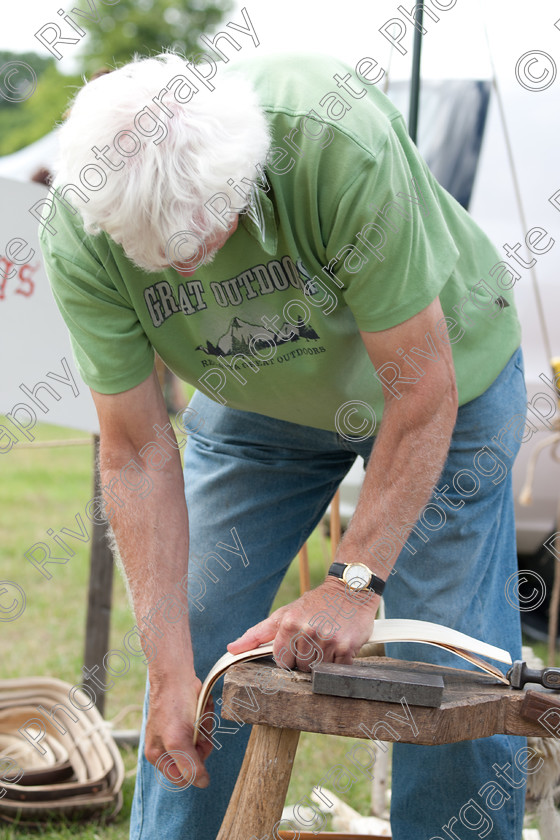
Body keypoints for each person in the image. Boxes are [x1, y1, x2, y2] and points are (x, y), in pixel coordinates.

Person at [39, 51, 528, 840]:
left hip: (445, 383)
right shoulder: (80, 222)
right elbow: (134, 450)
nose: (191, 268)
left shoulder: (335, 142)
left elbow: (420, 389)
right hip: (257, 398)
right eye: (161, 260)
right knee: (197, 646)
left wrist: (353, 580)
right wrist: (169, 673)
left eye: (205, 239)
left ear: (247, 172)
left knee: (447, 669)